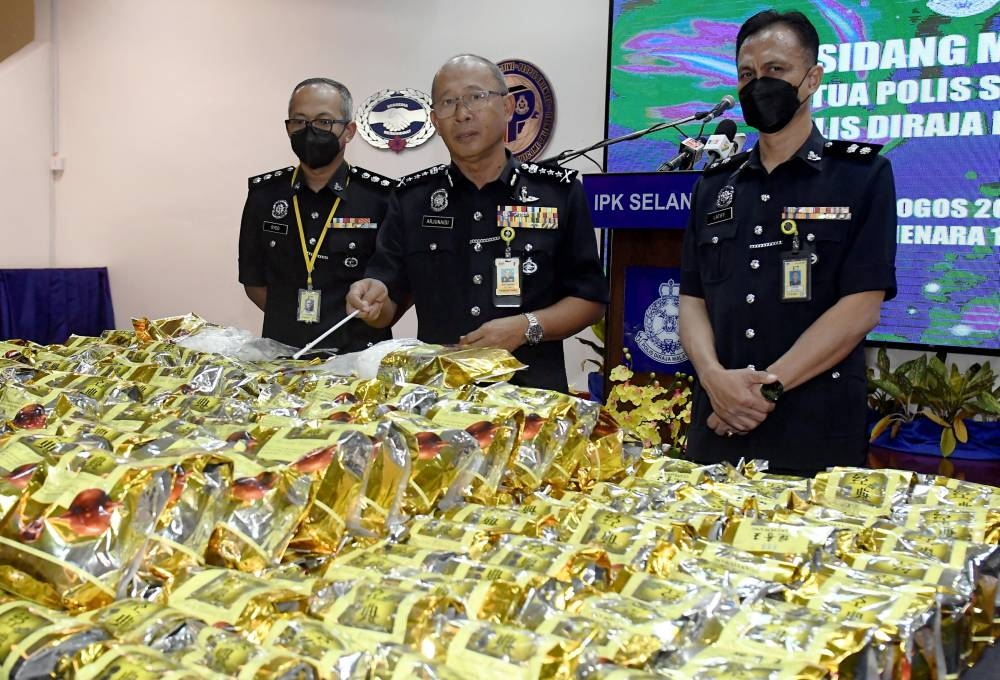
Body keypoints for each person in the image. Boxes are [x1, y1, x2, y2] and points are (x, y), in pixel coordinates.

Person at [678, 10, 897, 475]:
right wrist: (715, 380)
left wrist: (763, 391)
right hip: (717, 422)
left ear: (812, 78)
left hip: (814, 429)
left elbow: (862, 307)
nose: (760, 84)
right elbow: (692, 300)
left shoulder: (862, 177)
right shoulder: (714, 185)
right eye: (747, 74)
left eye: (776, 70)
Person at [347, 55, 608, 392]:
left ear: (508, 106)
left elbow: (590, 301)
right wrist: (370, 300)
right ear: (434, 121)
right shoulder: (412, 200)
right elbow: (387, 302)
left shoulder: (557, 194)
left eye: (476, 97)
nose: (462, 113)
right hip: (437, 397)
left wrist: (525, 327)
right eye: (448, 103)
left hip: (531, 395)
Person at [238, 78, 394, 353]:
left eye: (324, 122)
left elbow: (394, 289)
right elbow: (254, 282)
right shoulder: (264, 196)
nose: (309, 131)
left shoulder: (381, 198)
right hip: (283, 354)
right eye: (299, 122)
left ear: (349, 131)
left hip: (358, 357)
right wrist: (292, 321)